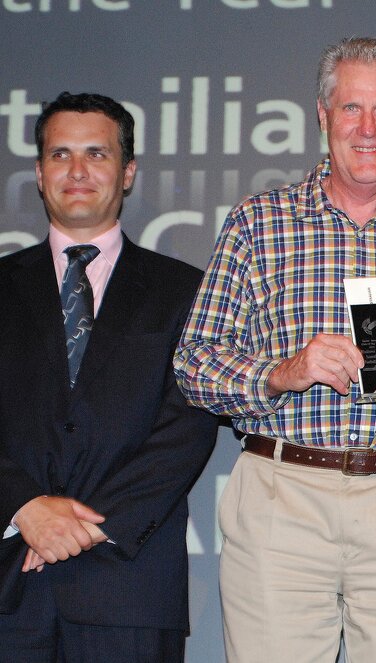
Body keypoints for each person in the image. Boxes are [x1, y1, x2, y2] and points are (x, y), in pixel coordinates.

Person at [173, 37, 376, 662]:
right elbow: (194, 363)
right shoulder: (257, 223)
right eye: (351, 108)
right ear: (323, 115)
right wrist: (280, 373)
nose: (367, 128)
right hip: (282, 495)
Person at [0, 92, 218, 661]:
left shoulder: (186, 290)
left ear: (127, 173)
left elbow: (186, 429)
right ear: (39, 173)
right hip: (8, 588)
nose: (77, 171)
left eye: (96, 154)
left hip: (131, 593)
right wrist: (25, 508)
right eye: (60, 154)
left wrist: (85, 527)